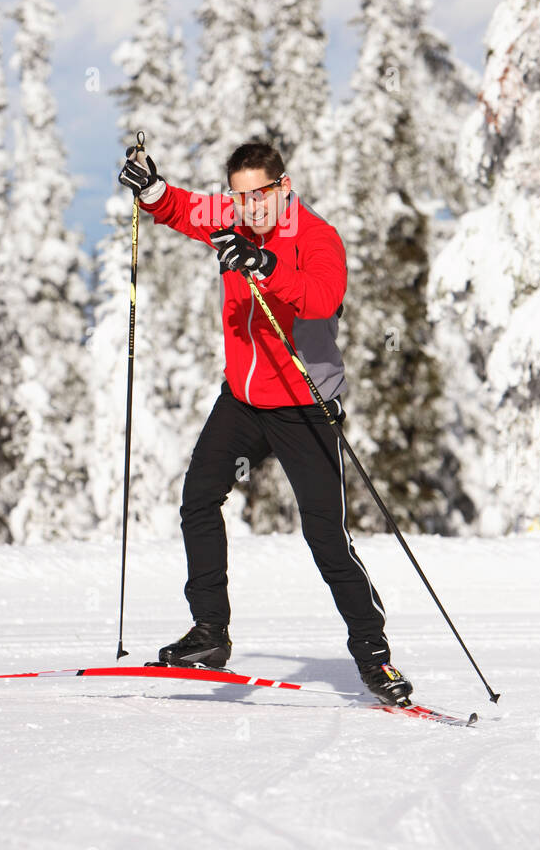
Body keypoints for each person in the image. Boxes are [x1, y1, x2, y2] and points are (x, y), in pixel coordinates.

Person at [117, 138, 413, 705]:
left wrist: (267, 265)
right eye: (239, 195)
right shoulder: (231, 217)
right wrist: (152, 190)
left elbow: (324, 298)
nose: (248, 207)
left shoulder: (316, 236)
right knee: (199, 499)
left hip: (305, 405)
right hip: (245, 400)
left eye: (260, 195)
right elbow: (182, 208)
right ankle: (210, 633)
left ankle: (374, 658)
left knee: (325, 537)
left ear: (284, 189)